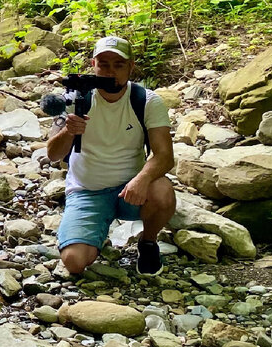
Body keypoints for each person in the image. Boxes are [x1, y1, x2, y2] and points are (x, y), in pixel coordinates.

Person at [46, 36, 176, 276]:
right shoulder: (76, 98)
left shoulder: (146, 101)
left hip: (132, 190)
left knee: (162, 190)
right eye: (104, 64)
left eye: (119, 65)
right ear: (93, 64)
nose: (110, 72)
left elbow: (165, 156)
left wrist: (142, 179)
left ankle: (148, 242)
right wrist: (68, 130)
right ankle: (96, 228)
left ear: (131, 67)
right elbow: (54, 155)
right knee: (74, 262)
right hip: (87, 191)